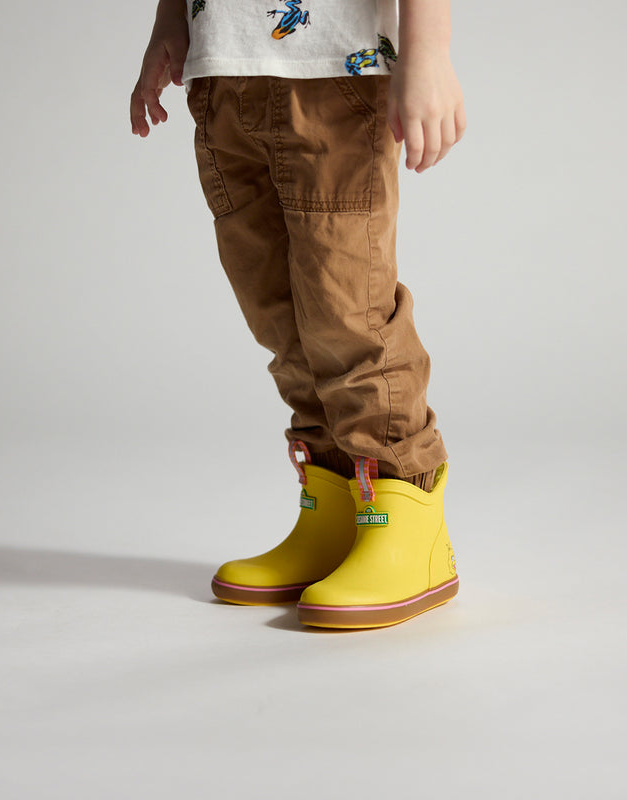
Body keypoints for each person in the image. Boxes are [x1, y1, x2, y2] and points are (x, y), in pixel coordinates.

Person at [130, 0, 466, 629]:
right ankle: (335, 507)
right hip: (222, 71)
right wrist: (169, 21)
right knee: (277, 313)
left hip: (335, 68)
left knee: (348, 309)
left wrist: (429, 50)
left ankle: (405, 514)